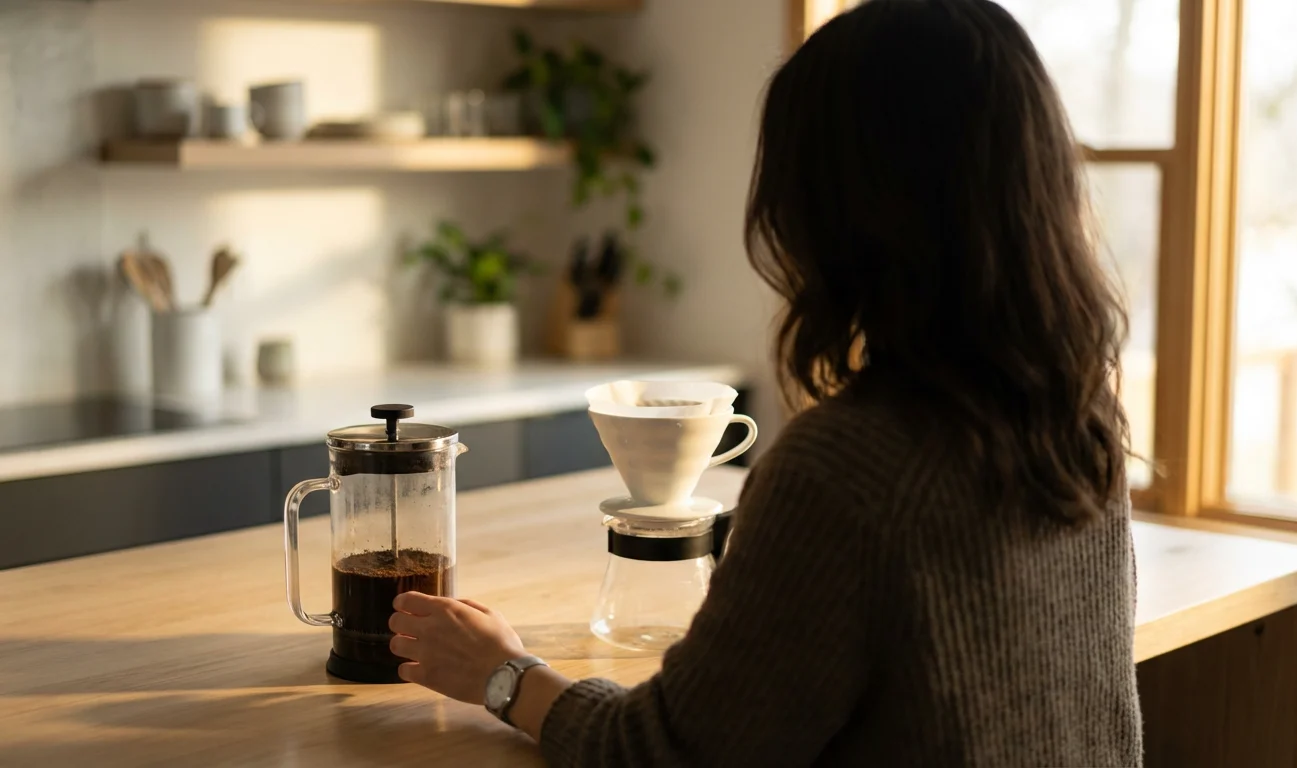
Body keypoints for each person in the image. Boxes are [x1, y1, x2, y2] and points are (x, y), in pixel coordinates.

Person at [387, 0, 1143, 764]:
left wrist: (502, 673)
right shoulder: (1083, 417)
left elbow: (667, 752)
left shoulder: (850, 465)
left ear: (832, 209)